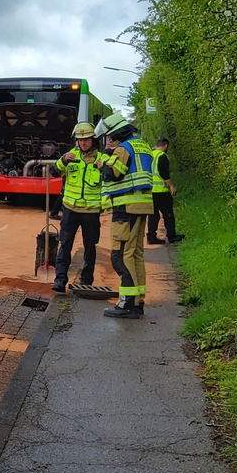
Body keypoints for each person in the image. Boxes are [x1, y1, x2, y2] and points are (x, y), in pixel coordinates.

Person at [95, 113, 154, 319]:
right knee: (135, 254)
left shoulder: (122, 149)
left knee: (120, 255)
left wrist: (103, 164)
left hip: (125, 206)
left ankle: (127, 304)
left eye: (111, 136)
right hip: (142, 205)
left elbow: (114, 174)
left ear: (119, 132)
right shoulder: (143, 146)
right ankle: (137, 301)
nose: (109, 140)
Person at [50, 122, 111, 292]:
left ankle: (86, 280)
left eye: (86, 139)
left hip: (91, 212)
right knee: (65, 245)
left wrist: (104, 168)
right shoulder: (70, 156)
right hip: (70, 210)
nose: (83, 143)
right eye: (80, 139)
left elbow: (110, 179)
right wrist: (63, 161)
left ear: (93, 139)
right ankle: (60, 280)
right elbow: (54, 172)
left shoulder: (102, 159)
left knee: (90, 247)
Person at [147, 138, 184, 245]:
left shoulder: (150, 155)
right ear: (166, 146)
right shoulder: (162, 156)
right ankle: (171, 236)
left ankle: (151, 237)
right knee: (168, 214)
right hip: (161, 191)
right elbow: (163, 173)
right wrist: (171, 186)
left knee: (153, 215)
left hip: (150, 190)